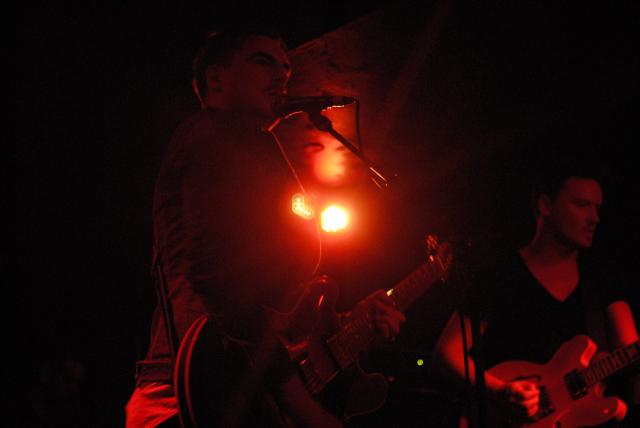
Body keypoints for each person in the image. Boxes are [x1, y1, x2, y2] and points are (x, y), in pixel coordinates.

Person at [125, 26, 406, 428]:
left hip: (233, 385)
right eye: (263, 62)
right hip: (192, 396)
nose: (281, 76)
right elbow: (220, 284)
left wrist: (349, 324)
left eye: (286, 68)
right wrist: (301, 405)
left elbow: (270, 306)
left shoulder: (257, 151)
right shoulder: (211, 134)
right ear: (216, 79)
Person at [432, 158, 639, 427]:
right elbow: (447, 353)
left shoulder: (602, 279)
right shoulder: (501, 274)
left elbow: (630, 352)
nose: (594, 218)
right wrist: (499, 391)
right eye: (582, 205)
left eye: (597, 208)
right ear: (545, 205)